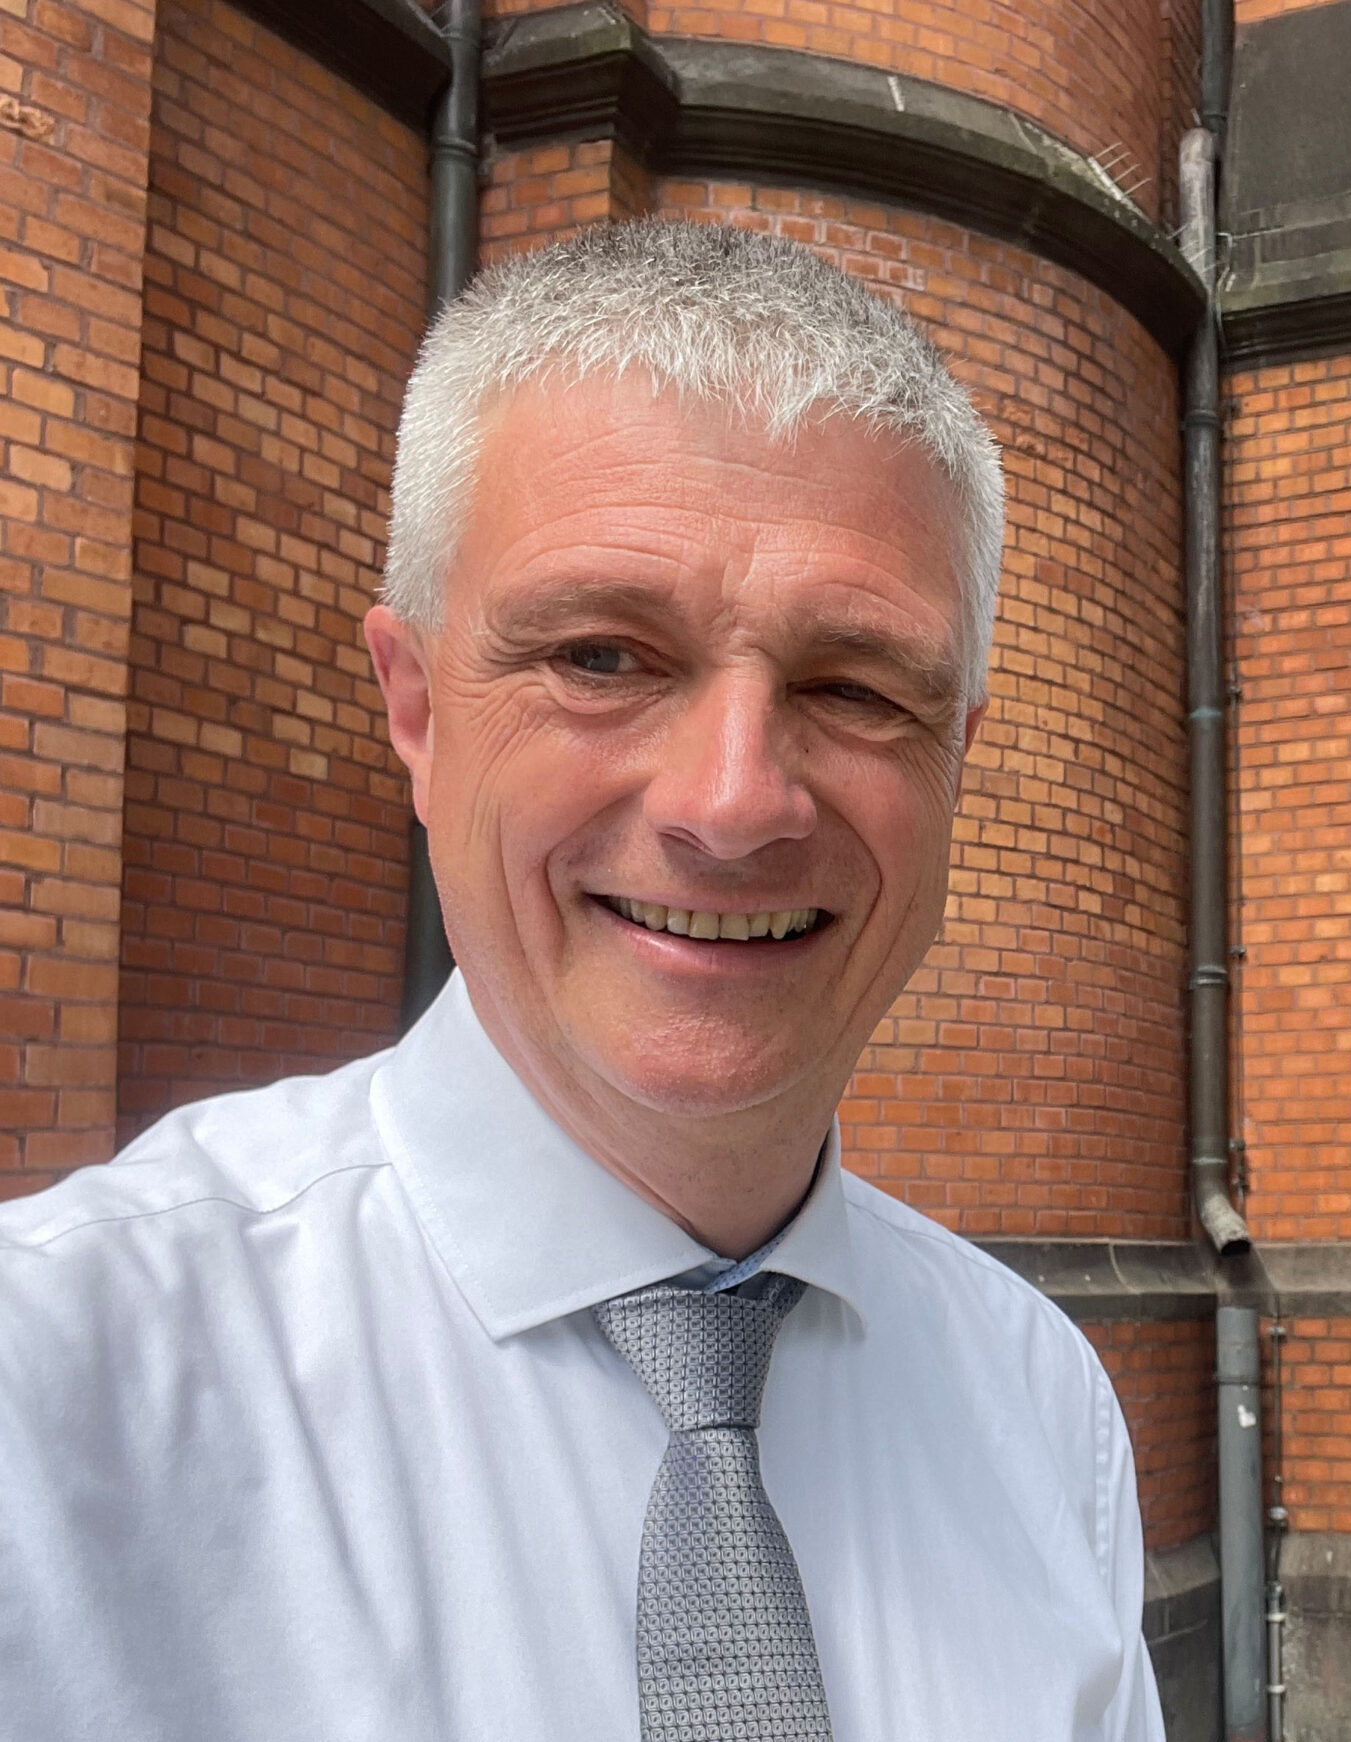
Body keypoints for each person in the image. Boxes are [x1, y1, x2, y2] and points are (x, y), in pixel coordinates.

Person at [0, 221, 1164, 1741]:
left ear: (957, 757)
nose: (735, 800)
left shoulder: (1042, 1408)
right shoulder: (54, 1405)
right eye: (604, 657)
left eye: (855, 686)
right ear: (413, 708)